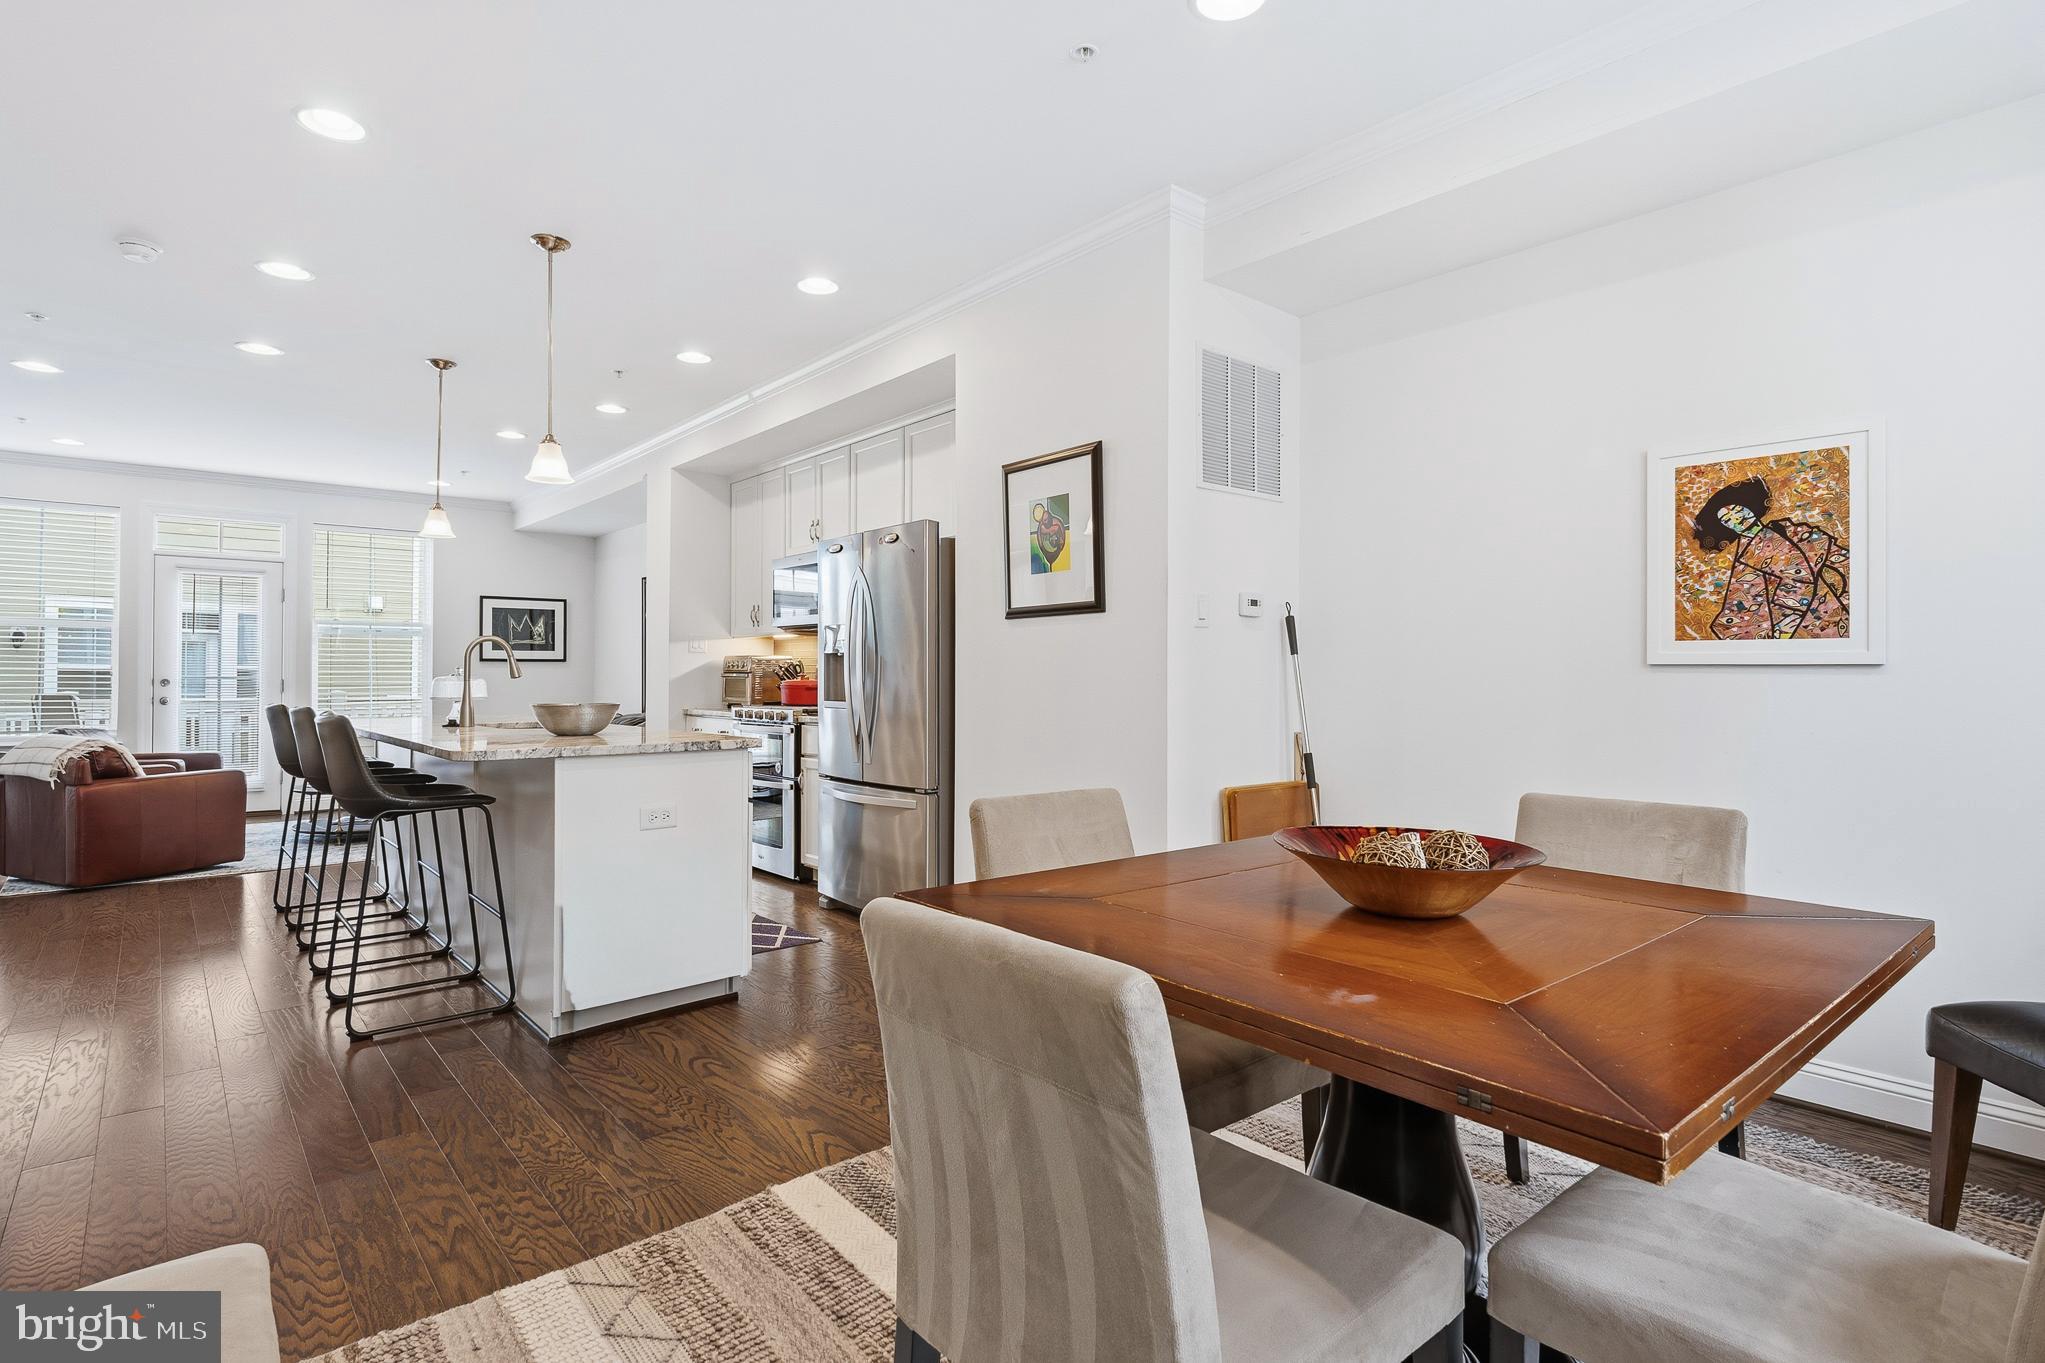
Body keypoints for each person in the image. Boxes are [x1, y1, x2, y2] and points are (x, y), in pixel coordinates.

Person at [1691, 475, 1848, 640]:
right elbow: (1741, 609)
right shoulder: (1744, 563)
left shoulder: (1790, 529)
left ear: (1749, 508)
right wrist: (1781, 630)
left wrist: (1850, 596)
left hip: (1832, 610)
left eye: (1739, 510)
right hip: (1795, 627)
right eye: (1727, 520)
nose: (1737, 519)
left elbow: (1841, 558)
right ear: (1724, 527)